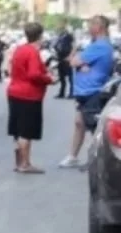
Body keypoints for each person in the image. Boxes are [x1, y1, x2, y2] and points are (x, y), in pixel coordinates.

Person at [60, 15, 115, 168]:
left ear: (99, 27)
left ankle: (96, 159)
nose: (89, 28)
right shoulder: (94, 44)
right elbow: (72, 61)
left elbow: (74, 61)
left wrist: (78, 63)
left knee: (94, 127)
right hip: (84, 91)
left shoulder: (101, 46)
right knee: (79, 123)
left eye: (92, 25)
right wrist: (79, 63)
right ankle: (73, 156)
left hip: (93, 90)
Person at [7, 22, 52, 173]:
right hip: (29, 95)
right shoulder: (32, 52)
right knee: (27, 131)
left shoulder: (19, 50)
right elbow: (33, 74)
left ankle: (19, 163)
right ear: (40, 35)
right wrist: (48, 79)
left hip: (14, 92)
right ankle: (25, 164)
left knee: (18, 130)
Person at [54, 22, 75, 99]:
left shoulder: (69, 36)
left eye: (61, 27)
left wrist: (70, 56)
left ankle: (72, 93)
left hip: (67, 57)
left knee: (70, 77)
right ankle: (62, 92)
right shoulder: (60, 36)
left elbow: (74, 46)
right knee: (61, 76)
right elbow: (56, 45)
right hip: (60, 57)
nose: (60, 28)